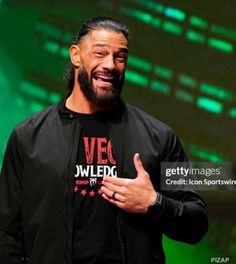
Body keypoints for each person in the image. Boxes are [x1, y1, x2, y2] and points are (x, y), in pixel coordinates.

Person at [0, 17, 208, 264]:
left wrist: (155, 203)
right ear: (75, 55)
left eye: (120, 57)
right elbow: (6, 231)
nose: (110, 64)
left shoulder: (160, 137)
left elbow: (197, 222)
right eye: (100, 53)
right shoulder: (27, 136)